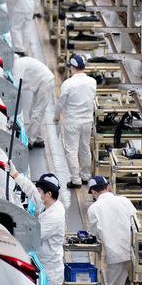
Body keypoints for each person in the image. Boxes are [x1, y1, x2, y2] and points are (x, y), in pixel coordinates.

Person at [5, 169, 66, 285]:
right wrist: (15, 174)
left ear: (48, 194)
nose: (37, 193)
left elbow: (32, 237)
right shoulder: (48, 203)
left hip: (51, 270)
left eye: (41, 191)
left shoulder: (54, 216)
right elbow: (31, 190)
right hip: (43, 265)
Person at [86, 176, 136, 285]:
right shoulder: (124, 200)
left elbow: (95, 233)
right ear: (107, 187)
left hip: (115, 255)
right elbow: (135, 222)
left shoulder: (94, 209)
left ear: (94, 191)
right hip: (134, 250)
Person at [54, 55, 97, 188]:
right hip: (87, 121)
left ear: (72, 67)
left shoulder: (68, 83)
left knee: (71, 150)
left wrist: (56, 116)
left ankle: (75, 179)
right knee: (85, 148)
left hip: (72, 121)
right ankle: (85, 176)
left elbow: (61, 103)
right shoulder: (92, 82)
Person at [14, 54, 55, 150]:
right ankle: (38, 139)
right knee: (33, 111)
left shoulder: (18, 65)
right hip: (42, 82)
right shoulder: (20, 62)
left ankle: (30, 141)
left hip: (45, 82)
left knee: (37, 112)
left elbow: (15, 86)